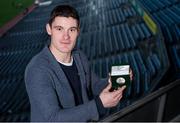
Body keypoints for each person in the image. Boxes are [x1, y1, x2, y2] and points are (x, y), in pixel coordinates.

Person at [25, 5, 130, 122]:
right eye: (59, 29)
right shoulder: (37, 70)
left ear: (78, 31)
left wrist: (112, 81)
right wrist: (99, 104)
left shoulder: (79, 56)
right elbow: (53, 119)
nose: (66, 36)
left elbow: (94, 86)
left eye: (71, 30)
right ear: (49, 29)